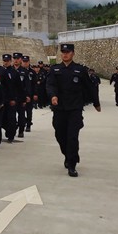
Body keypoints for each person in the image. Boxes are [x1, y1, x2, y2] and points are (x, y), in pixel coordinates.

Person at [46, 43, 101, 177]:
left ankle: (72, 164)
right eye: (63, 52)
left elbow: (90, 87)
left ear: (73, 53)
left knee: (72, 137)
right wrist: (53, 96)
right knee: (59, 135)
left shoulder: (80, 70)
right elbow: (50, 85)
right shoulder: (55, 69)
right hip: (59, 108)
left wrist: (96, 103)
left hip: (74, 108)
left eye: (68, 52)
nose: (65, 54)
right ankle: (68, 154)